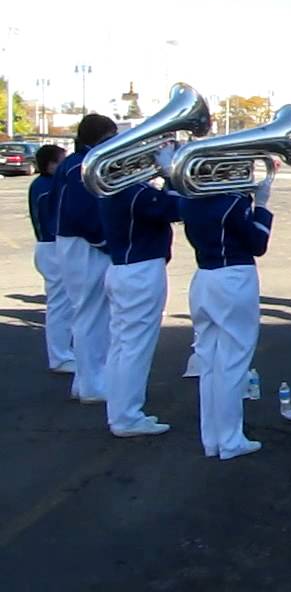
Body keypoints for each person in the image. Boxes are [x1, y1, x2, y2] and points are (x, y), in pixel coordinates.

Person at [179, 172, 274, 460]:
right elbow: (258, 243)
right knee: (233, 362)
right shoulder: (232, 203)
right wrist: (263, 205)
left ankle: (213, 439)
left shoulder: (190, 200)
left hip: (203, 277)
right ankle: (231, 440)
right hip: (233, 277)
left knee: (208, 363)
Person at [99, 150, 183, 437]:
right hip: (140, 271)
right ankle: (126, 417)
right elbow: (175, 209)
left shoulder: (112, 189)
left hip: (122, 269)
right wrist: (170, 175)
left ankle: (118, 409)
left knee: (122, 343)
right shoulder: (135, 193)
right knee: (136, 347)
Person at [53, 114, 118, 402]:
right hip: (83, 244)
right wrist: (102, 239)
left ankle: (85, 379)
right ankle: (92, 383)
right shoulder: (82, 166)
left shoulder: (75, 162)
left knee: (89, 314)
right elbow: (81, 211)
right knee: (92, 315)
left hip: (75, 242)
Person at [28, 144, 74, 375]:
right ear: (49, 164)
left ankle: (64, 352)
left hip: (50, 247)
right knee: (60, 304)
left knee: (64, 302)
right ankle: (60, 356)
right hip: (51, 247)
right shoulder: (46, 188)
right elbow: (54, 220)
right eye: (60, 161)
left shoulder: (45, 185)